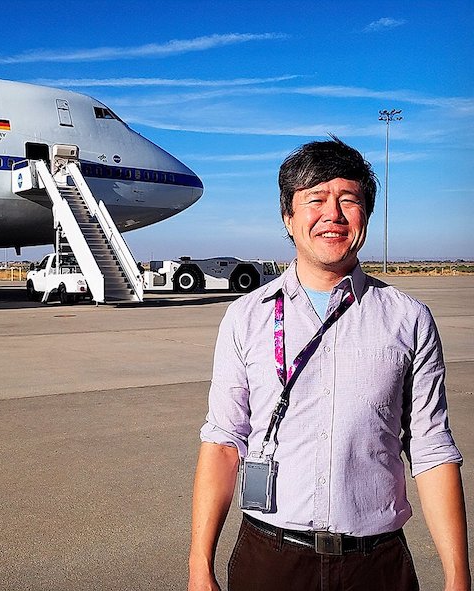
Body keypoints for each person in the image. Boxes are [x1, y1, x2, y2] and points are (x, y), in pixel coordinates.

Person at [188, 136, 469, 591]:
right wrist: (199, 566)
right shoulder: (247, 316)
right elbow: (223, 441)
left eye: (348, 200)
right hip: (269, 559)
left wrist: (459, 577)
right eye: (315, 199)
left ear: (366, 215)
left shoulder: (408, 318)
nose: (332, 215)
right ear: (288, 217)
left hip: (375, 565)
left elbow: (432, 451)